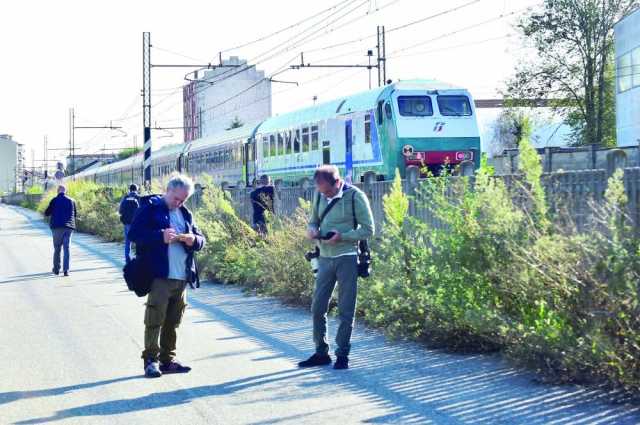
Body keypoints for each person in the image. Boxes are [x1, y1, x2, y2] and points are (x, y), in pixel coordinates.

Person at [128, 174, 205, 378]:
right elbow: (134, 234)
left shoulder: (186, 214)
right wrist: (160, 236)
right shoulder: (150, 208)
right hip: (160, 275)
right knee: (155, 318)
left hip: (181, 276)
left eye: (183, 200)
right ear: (168, 190)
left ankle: (168, 360)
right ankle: (150, 360)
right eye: (176, 198)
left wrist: (193, 240)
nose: (178, 203)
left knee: (173, 320)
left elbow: (201, 239)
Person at [299, 165, 374, 370]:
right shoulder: (319, 194)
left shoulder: (354, 197)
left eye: (328, 191)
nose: (324, 194)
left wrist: (343, 237)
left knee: (346, 309)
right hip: (324, 257)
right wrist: (312, 230)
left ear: (337, 182)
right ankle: (321, 352)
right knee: (317, 308)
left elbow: (369, 229)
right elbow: (313, 220)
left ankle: (342, 355)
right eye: (321, 191)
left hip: (347, 258)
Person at [44, 185, 77, 277]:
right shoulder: (72, 201)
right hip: (69, 228)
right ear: (65, 191)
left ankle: (56, 269)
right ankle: (66, 270)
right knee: (67, 248)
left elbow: (47, 213)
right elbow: (75, 214)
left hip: (57, 228)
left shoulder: (54, 200)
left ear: (57, 191)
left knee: (57, 248)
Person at [119, 184, 140, 263]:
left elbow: (120, 211)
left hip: (127, 223)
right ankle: (138, 257)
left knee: (128, 241)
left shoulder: (125, 198)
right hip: (137, 223)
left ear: (130, 189)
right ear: (136, 189)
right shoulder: (138, 198)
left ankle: (127, 259)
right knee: (138, 241)